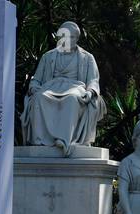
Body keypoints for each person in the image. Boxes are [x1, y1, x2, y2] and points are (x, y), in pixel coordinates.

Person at [20, 21, 105, 157]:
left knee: (72, 99)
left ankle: (65, 140)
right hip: (51, 87)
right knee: (39, 98)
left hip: (75, 87)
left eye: (70, 37)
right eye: (63, 36)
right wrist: (34, 87)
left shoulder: (87, 58)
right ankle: (41, 141)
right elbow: (36, 79)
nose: (65, 40)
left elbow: (93, 80)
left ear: (76, 39)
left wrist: (90, 92)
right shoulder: (48, 57)